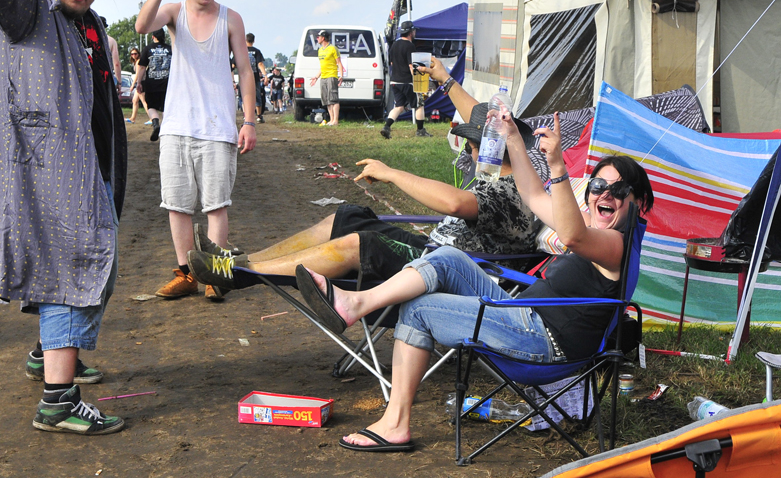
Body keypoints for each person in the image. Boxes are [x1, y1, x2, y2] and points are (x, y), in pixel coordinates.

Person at [296, 111, 655, 452]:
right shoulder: (601, 235)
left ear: (638, 203)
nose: (605, 194)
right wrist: (514, 137)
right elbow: (533, 196)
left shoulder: (616, 245)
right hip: (523, 318)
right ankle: (357, 304)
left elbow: (573, 236)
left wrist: (559, 168)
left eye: (619, 190)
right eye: (597, 185)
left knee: (420, 309)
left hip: (542, 344)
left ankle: (395, 424)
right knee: (450, 258)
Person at [0, 0, 127, 434]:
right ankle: (57, 402)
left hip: (90, 166)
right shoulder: (28, 6)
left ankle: (49, 356)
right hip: (46, 169)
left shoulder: (85, 25)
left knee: (91, 260)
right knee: (71, 266)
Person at [186, 98, 540, 291]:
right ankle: (238, 262)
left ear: (485, 147)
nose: (468, 151)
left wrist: (391, 173)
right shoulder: (502, 182)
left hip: (452, 273)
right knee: (345, 217)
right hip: (435, 254)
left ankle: (241, 274)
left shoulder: (513, 191)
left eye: (471, 143)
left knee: (360, 242)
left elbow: (454, 203)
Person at [136, 0, 257, 302]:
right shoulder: (174, 12)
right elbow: (142, 25)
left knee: (216, 205)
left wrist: (248, 121)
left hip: (218, 126)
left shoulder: (231, 19)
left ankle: (215, 276)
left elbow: (245, 71)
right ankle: (188, 274)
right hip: (176, 125)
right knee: (177, 205)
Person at [382, 21, 429, 139]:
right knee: (419, 105)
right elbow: (411, 66)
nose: (415, 32)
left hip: (395, 81)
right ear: (410, 32)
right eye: (414, 31)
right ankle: (420, 130)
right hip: (407, 81)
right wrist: (418, 81)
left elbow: (392, 63)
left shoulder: (394, 45)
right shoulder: (410, 46)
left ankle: (386, 127)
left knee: (399, 106)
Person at [135, 28, 171, 141]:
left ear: (153, 37)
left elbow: (141, 67)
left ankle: (156, 125)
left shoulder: (148, 49)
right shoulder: (170, 49)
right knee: (166, 107)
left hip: (152, 84)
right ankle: (166, 129)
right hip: (168, 83)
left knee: (151, 106)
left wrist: (139, 82)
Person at [309, 30, 345, 126]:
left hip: (332, 76)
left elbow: (339, 63)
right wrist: (316, 77)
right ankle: (331, 120)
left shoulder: (333, 48)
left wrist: (341, 75)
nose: (317, 38)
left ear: (323, 38)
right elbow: (322, 66)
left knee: (333, 99)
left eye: (318, 37)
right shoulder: (320, 50)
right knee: (327, 100)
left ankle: (336, 121)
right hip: (323, 77)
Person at [246, 33, 267, 123]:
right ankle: (259, 116)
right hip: (254, 77)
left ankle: (246, 116)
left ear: (245, 40)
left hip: (244, 77)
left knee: (245, 96)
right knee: (257, 96)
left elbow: (234, 64)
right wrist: (265, 75)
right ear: (254, 41)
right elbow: (260, 64)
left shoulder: (241, 50)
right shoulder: (257, 51)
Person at [126, 47, 151, 123]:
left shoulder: (138, 62)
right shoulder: (137, 62)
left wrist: (133, 84)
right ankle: (133, 118)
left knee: (143, 101)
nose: (133, 55)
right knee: (134, 100)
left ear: (138, 54)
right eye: (132, 54)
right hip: (140, 82)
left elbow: (137, 74)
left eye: (135, 53)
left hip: (141, 82)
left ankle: (152, 118)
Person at [101, 16, 122, 87]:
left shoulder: (86, 40)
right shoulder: (111, 41)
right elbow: (116, 63)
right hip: (106, 76)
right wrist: (119, 82)